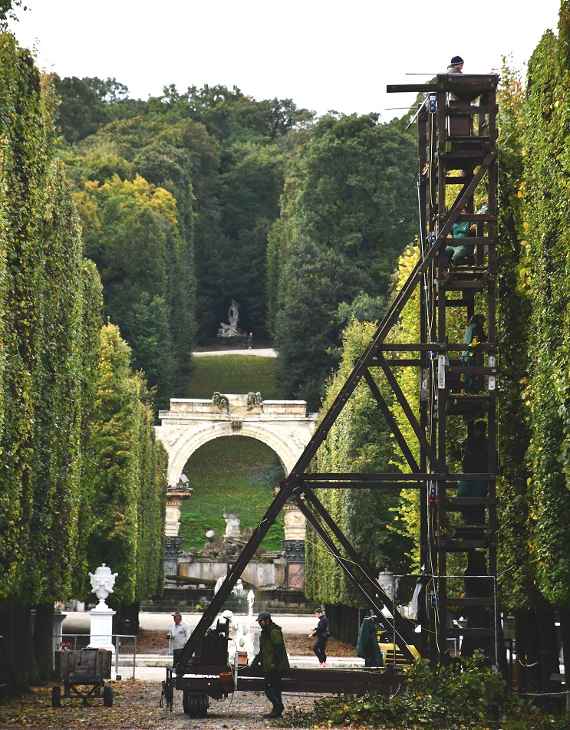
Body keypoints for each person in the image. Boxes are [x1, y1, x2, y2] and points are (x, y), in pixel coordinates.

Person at [250, 611, 290, 719]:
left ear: (267, 620)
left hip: (275, 667)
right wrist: (255, 661)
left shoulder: (274, 631)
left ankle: (279, 707)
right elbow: (263, 650)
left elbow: (279, 649)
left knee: (269, 689)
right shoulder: (266, 632)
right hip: (269, 666)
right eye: (259, 621)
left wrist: (274, 664)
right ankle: (276, 711)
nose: (260, 623)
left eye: (261, 621)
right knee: (275, 689)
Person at [457, 420, 489, 524]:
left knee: (475, 500)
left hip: (477, 475)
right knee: (468, 498)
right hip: (472, 475)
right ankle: (469, 521)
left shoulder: (483, 443)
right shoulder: (471, 442)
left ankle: (473, 523)